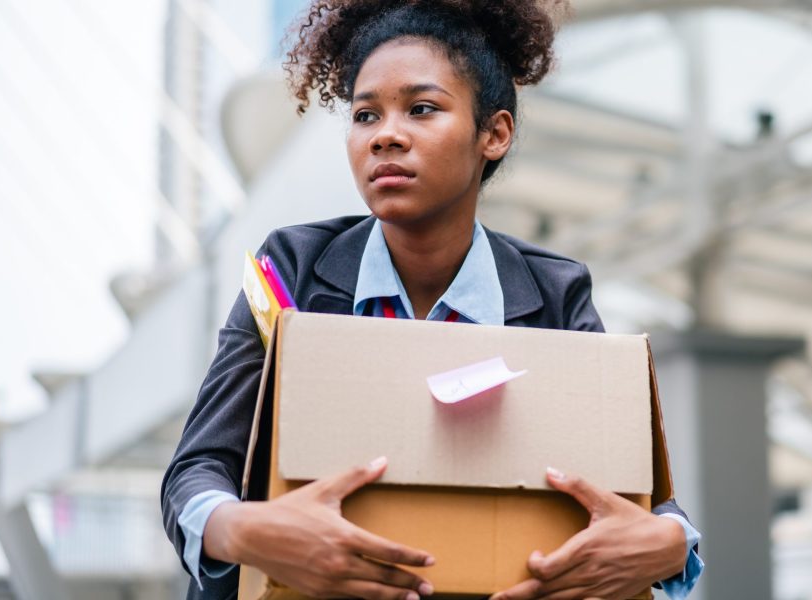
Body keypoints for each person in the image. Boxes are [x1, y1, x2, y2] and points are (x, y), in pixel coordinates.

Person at [160, 1, 704, 598]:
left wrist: (675, 542)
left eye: (421, 109)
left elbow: (632, 492)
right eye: (365, 115)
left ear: (493, 134)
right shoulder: (290, 272)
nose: (386, 135)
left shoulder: (555, 293)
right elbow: (198, 468)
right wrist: (242, 530)